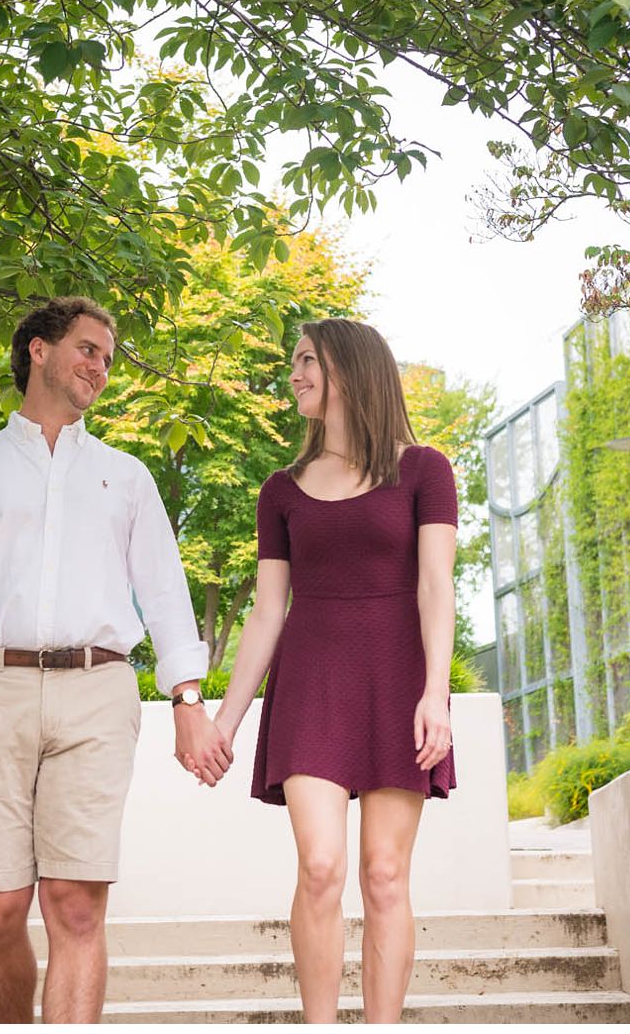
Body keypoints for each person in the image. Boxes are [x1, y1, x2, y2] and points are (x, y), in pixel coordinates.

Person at [0, 296, 232, 1024]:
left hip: (97, 692)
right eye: (88, 349)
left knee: (76, 907)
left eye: (107, 359)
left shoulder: (127, 477)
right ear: (38, 351)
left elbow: (167, 599)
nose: (100, 368)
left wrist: (188, 703)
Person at [212, 318, 459, 1024]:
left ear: (349, 370)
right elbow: (266, 613)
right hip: (312, 684)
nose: (294, 375)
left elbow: (436, 586)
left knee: (384, 876)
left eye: (307, 362)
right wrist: (226, 722)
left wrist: (435, 695)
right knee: (321, 868)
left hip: (399, 683)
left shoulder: (425, 470)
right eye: (294, 363)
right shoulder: (280, 490)